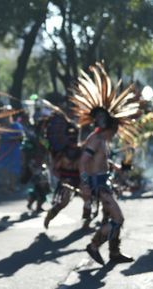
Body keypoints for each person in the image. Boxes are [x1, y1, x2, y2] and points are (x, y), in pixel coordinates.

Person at [72, 63, 139, 265]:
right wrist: (85, 183)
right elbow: (83, 162)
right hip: (98, 185)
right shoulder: (96, 139)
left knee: (110, 217)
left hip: (102, 182)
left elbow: (99, 160)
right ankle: (94, 245)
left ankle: (114, 253)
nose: (118, 131)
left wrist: (116, 167)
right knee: (118, 218)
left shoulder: (102, 140)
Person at [44, 125, 82, 228]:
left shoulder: (82, 151)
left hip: (79, 179)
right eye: (70, 138)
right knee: (64, 201)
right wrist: (62, 179)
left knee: (88, 195)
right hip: (66, 180)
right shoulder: (62, 153)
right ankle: (49, 216)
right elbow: (54, 169)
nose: (73, 140)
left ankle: (87, 220)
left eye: (74, 137)